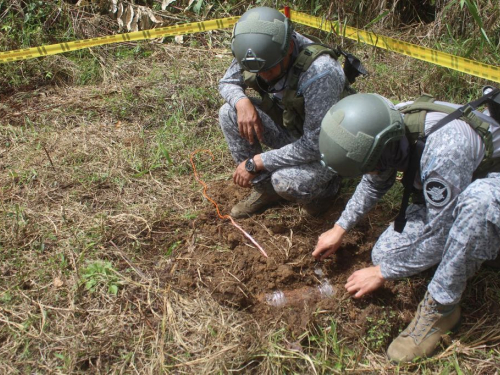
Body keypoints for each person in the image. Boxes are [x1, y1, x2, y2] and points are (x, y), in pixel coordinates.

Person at [312, 89, 500, 362]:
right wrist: (340, 227)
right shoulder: (385, 126)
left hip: (487, 193)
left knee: (477, 205)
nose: (369, 172)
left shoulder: (445, 148)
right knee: (386, 253)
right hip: (462, 178)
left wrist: (383, 273)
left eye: (370, 166)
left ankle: (442, 309)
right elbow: (375, 179)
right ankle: (482, 244)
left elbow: (442, 233)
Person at [218, 6, 350, 218]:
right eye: (257, 70)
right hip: (294, 130)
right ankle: (266, 191)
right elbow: (227, 82)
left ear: (288, 48)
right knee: (229, 112)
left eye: (269, 69)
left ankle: (327, 190)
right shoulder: (257, 50)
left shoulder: (321, 71)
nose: (263, 75)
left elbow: (316, 145)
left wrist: (257, 162)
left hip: (330, 148)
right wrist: (241, 101)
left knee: (286, 182)